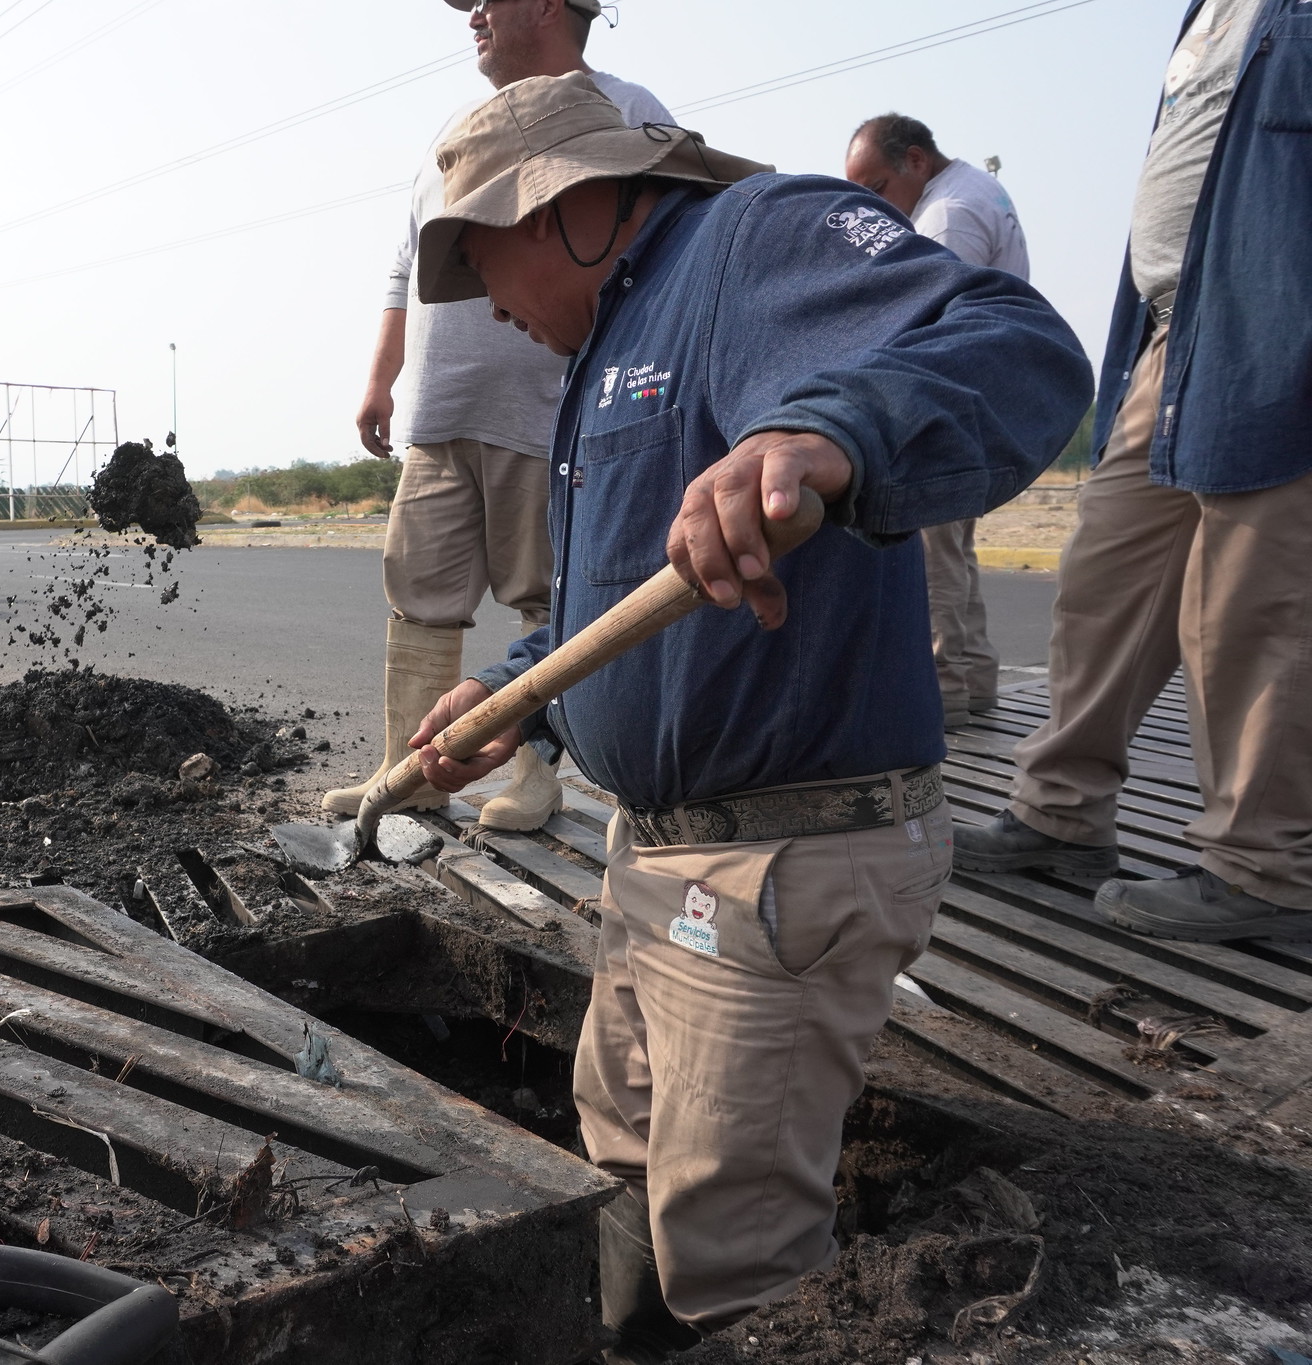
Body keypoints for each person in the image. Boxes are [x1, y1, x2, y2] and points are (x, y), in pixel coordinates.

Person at [405, 74, 1090, 1358]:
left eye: (482, 253)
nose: (485, 303)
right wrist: (522, 701)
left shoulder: (752, 242)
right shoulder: (610, 346)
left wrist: (832, 431)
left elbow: (1016, 347)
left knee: (736, 1247)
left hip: (776, 860)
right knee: (617, 1144)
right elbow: (617, 606)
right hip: (658, 851)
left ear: (570, 207)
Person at [953, 0, 1312, 942]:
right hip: (1169, 331)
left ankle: (1266, 869)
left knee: (1250, 607)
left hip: (1273, 323)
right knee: (1105, 583)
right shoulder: (1207, 16)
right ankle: (1060, 816)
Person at [323, 0, 671, 832]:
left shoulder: (627, 112)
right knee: (420, 593)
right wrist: (382, 378)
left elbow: (658, 251)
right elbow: (408, 266)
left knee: (543, 595)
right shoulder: (459, 128)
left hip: (545, 412)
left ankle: (534, 772)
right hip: (444, 411)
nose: (472, 12)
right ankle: (412, 772)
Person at [845, 113, 1030, 730]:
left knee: (933, 551)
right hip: (981, 393)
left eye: (874, 187)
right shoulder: (979, 189)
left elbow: (926, 320)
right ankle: (973, 678)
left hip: (947, 401)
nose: (870, 204)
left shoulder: (947, 216)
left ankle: (943, 688)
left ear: (916, 161)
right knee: (955, 549)